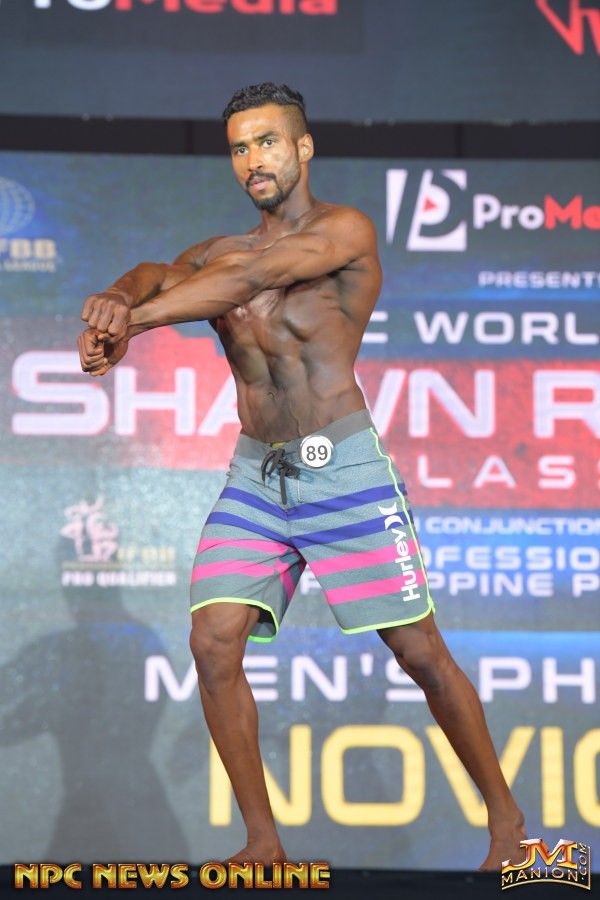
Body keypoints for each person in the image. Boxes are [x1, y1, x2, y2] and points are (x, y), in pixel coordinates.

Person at [77, 82, 526, 871]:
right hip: (257, 475)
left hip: (344, 468)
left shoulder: (343, 231)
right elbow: (156, 269)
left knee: (421, 654)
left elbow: (250, 279)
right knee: (213, 640)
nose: (253, 159)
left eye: (268, 142)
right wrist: (117, 298)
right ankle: (262, 843)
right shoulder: (215, 250)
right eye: (239, 148)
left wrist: (132, 324)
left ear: (303, 147)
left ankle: (509, 826)